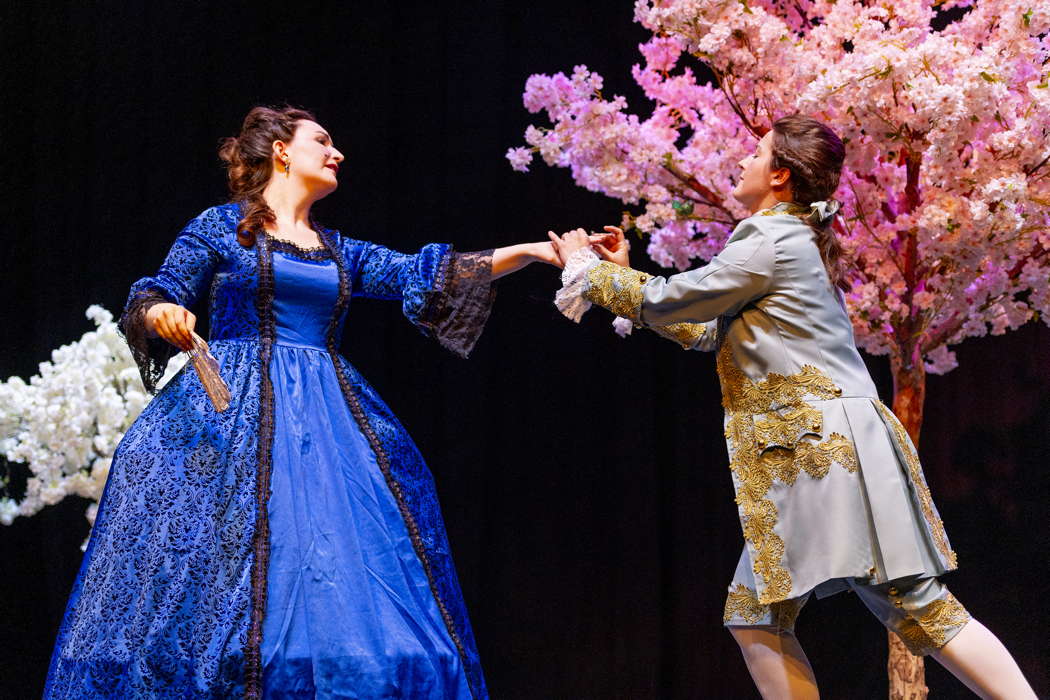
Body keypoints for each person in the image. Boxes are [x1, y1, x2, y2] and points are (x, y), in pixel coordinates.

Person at [44, 105, 560, 699]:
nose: (337, 153)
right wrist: (163, 312)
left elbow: (428, 272)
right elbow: (158, 289)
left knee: (346, 579)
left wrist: (535, 252)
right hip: (236, 413)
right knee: (231, 591)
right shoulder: (221, 225)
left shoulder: (338, 249)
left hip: (328, 422)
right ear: (282, 150)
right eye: (324, 140)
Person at [547, 115, 1035, 699]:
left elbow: (670, 300)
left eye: (755, 155)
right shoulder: (786, 237)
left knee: (915, 606)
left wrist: (591, 270)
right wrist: (619, 278)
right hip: (823, 451)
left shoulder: (769, 238)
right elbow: (703, 328)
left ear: (780, 176)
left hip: (822, 451)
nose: (743, 162)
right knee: (759, 615)